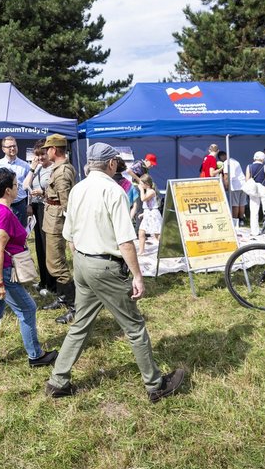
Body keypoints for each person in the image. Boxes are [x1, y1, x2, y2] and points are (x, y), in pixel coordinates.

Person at [46, 142, 185, 403]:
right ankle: (155, 385)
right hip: (106, 266)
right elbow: (125, 241)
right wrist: (138, 275)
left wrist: (84, 257)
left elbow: (70, 235)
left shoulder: (77, 189)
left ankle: (58, 381)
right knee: (134, 327)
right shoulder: (113, 190)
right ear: (111, 164)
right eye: (116, 163)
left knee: (80, 325)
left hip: (83, 263)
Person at [0, 167, 57, 368]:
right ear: (7, 190)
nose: (18, 188)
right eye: (15, 185)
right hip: (0, 270)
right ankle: (35, 355)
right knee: (27, 308)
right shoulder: (4, 214)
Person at [39, 134, 77, 324]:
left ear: (54, 150)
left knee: (57, 265)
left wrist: (71, 230)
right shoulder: (59, 169)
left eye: (47, 149)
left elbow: (67, 203)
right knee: (53, 262)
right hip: (51, 218)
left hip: (57, 221)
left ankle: (74, 306)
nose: (46, 152)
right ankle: (63, 298)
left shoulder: (62, 172)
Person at [24, 139, 55, 295]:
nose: (41, 158)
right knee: (39, 247)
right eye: (38, 155)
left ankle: (51, 284)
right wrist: (32, 167)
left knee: (47, 246)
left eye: (43, 154)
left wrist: (43, 194)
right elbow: (25, 186)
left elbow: (54, 192)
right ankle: (43, 281)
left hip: (47, 208)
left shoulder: (53, 170)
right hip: (36, 208)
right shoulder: (37, 169)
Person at [0, 136, 31, 227]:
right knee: (3, 233)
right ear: (3, 149)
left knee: (21, 234)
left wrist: (29, 205)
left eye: (14, 146)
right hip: (2, 205)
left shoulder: (25, 166)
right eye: (9, 147)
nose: (12, 148)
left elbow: (29, 188)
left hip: (19, 205)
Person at [245, 151, 265, 236]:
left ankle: (254, 231)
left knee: (254, 210)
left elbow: (247, 179)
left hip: (254, 189)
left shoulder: (249, 166)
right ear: (263, 159)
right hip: (264, 188)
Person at [218, 151, 245, 223]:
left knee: (235, 204)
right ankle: (241, 220)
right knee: (242, 203)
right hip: (243, 184)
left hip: (235, 185)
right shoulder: (235, 161)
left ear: (222, 156)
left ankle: (235, 221)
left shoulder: (226, 163)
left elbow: (226, 177)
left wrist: (226, 186)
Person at [137, 175, 162, 252]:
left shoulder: (151, 191)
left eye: (141, 184)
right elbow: (148, 206)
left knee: (157, 234)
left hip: (153, 215)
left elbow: (143, 199)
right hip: (148, 213)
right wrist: (143, 214)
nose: (140, 185)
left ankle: (167, 248)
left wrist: (141, 190)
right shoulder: (148, 191)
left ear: (147, 184)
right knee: (141, 232)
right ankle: (141, 251)